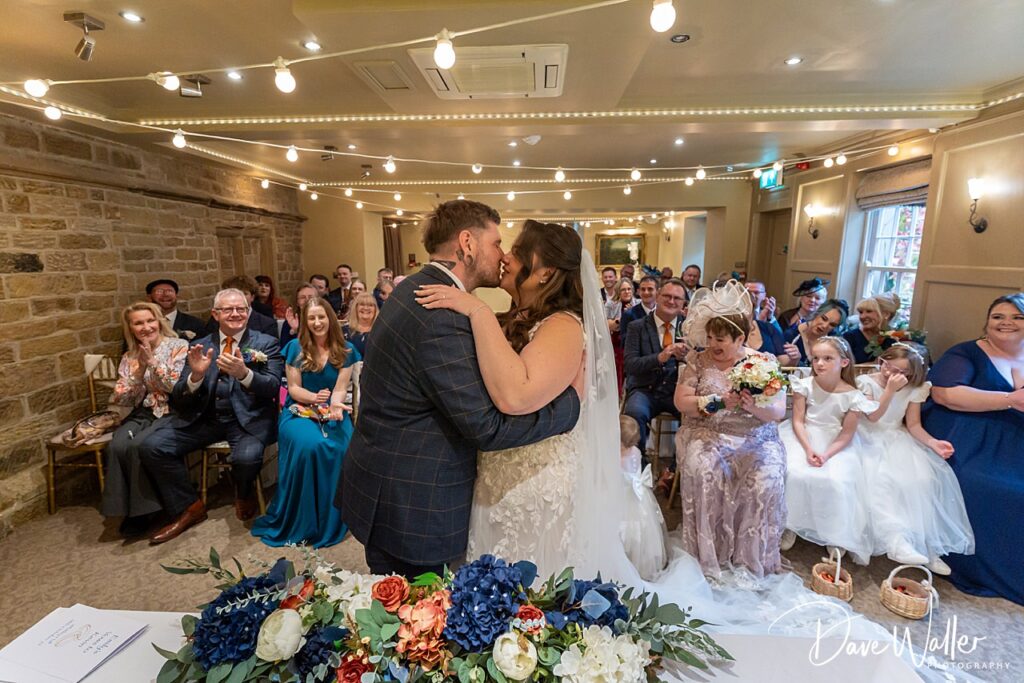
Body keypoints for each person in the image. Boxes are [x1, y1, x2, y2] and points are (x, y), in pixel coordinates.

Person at [338, 202, 581, 579]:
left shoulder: (418, 289)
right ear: (467, 243)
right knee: (412, 610)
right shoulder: (441, 315)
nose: (503, 255)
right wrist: (570, 407)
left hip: (398, 486)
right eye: (497, 243)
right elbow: (488, 427)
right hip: (412, 505)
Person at [415, 218, 590, 577]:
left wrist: (476, 309)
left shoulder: (563, 325)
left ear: (545, 273)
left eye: (519, 252)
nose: (506, 258)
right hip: (494, 477)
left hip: (534, 484)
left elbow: (515, 396)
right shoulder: (511, 319)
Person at [139, 288, 284, 544]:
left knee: (247, 458)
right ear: (215, 314)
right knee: (152, 446)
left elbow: (273, 387)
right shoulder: (200, 345)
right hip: (205, 418)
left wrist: (244, 374)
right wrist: (195, 376)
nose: (235, 313)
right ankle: (189, 507)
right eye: (228, 309)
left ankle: (244, 492)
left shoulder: (266, 343)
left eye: (241, 309)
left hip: (247, 419)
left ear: (248, 312)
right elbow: (180, 394)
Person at [673, 283, 787, 577]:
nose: (713, 344)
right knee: (704, 471)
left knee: (766, 481)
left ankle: (748, 559)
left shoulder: (763, 363)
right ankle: (709, 557)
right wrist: (718, 402)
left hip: (755, 439)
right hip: (709, 433)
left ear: (740, 338)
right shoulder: (698, 361)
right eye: (710, 337)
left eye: (721, 339)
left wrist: (752, 406)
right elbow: (681, 402)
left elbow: (777, 411)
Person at [921, 293, 1024, 605]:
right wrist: (1009, 400)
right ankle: (987, 566)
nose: (1007, 323)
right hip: (968, 435)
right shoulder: (966, 352)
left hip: (1015, 439)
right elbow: (944, 394)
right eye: (998, 317)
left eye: (1017, 317)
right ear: (986, 322)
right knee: (995, 488)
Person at [252, 297, 360, 548]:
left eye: (321, 317)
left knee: (340, 447)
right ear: (305, 321)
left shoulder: (345, 350)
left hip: (331, 409)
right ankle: (304, 517)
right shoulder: (295, 347)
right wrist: (314, 398)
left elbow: (340, 389)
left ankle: (334, 515)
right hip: (298, 409)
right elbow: (293, 389)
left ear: (330, 318)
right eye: (311, 318)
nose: (317, 322)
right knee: (312, 446)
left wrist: (335, 407)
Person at [856, 344, 974, 573]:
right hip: (867, 437)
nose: (891, 374)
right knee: (882, 479)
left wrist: (933, 443)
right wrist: (890, 391)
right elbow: (872, 417)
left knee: (921, 480)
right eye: (888, 366)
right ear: (881, 361)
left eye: (901, 372)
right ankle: (896, 540)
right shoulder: (867, 383)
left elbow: (913, 424)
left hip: (896, 436)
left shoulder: (915, 389)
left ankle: (927, 546)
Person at [779, 336, 877, 564]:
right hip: (804, 436)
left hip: (835, 443)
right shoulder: (805, 385)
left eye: (827, 358)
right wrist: (808, 449)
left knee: (837, 480)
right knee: (793, 473)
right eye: (815, 358)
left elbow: (846, 434)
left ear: (844, 362)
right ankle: (789, 524)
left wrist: (825, 454)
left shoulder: (853, 396)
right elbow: (798, 421)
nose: (819, 363)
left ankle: (836, 532)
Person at [104, 302, 189, 536]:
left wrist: (153, 363)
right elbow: (123, 398)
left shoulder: (178, 346)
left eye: (150, 320)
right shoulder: (129, 356)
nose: (146, 327)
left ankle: (152, 510)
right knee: (117, 444)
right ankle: (128, 510)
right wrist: (140, 369)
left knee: (138, 446)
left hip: (174, 409)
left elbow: (175, 387)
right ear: (130, 328)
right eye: (138, 323)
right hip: (145, 410)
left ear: (159, 321)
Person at [622, 279, 689, 452]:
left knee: (694, 415)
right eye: (667, 296)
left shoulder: (689, 328)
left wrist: (688, 357)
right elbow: (630, 365)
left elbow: (702, 362)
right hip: (645, 389)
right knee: (634, 414)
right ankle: (637, 463)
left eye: (677, 298)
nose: (671, 301)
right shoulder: (636, 327)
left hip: (677, 391)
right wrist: (660, 357)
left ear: (683, 303)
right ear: (657, 296)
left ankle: (677, 466)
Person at [618, 415, 666, 580]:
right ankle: (639, 562)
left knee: (623, 528)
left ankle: (624, 561)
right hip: (640, 499)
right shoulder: (637, 452)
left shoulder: (617, 458)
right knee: (639, 529)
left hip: (623, 497)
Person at [778, 299, 848, 367]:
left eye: (832, 325)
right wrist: (794, 361)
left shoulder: (834, 341)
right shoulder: (791, 335)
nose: (824, 326)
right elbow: (778, 364)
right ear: (816, 313)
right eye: (824, 318)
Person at [204, 275, 278, 338]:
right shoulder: (216, 320)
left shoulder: (267, 324)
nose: (239, 297)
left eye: (244, 293)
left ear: (252, 297)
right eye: (235, 293)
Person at [843, 293, 901, 363]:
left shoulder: (891, 340)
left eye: (869, 311)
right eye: (861, 312)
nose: (862, 316)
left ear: (886, 314)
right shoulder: (850, 337)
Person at [606, 278, 639, 393]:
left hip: (634, 340)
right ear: (618, 292)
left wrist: (632, 313)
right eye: (623, 290)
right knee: (618, 364)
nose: (627, 292)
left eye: (629, 289)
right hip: (617, 341)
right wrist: (622, 319)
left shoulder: (638, 304)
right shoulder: (611, 304)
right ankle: (617, 393)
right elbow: (606, 324)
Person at [778, 277, 829, 342]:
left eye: (817, 298)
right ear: (801, 298)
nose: (812, 300)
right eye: (808, 296)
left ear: (823, 302)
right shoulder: (785, 316)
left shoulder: (825, 321)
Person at [745, 280, 786, 357]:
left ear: (764, 295)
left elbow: (780, 337)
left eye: (756, 292)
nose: (752, 296)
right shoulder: (737, 314)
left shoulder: (772, 311)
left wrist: (770, 318)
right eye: (748, 292)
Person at [343, 292, 379, 358]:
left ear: (375, 309)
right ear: (356, 308)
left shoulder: (380, 331)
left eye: (370, 305)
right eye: (362, 304)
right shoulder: (344, 330)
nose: (366, 308)